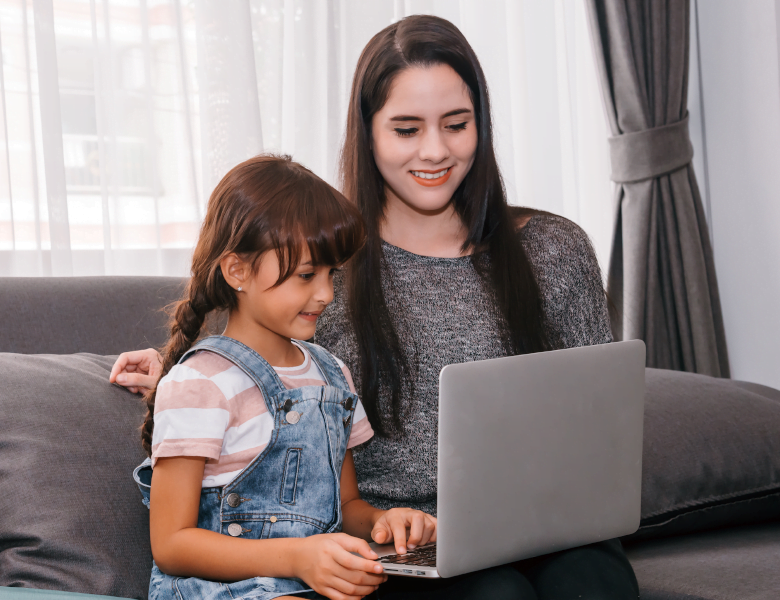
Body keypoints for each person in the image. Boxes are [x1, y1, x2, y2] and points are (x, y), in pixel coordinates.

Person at [113, 15, 640, 600]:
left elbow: (601, 423)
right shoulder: (326, 267)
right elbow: (242, 357)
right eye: (407, 129)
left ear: (481, 125)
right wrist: (168, 373)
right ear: (368, 134)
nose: (435, 150)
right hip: (399, 542)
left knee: (593, 582)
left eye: (456, 124)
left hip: (547, 525)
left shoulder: (554, 251)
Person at [135, 154, 438, 600]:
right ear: (237, 270)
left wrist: (382, 522)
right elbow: (171, 544)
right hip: (222, 590)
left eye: (332, 273)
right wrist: (297, 557)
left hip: (314, 585)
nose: (326, 294)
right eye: (305, 275)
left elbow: (345, 506)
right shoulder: (199, 383)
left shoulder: (332, 374)